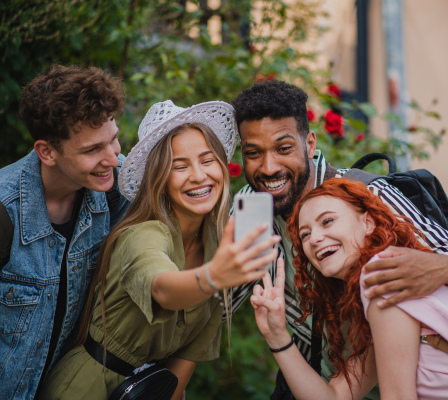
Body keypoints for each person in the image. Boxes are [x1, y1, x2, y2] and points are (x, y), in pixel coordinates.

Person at [229, 80, 448, 398]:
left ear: (310, 144)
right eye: (254, 154)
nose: (269, 167)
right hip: (311, 380)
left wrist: (439, 268)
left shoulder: (366, 195)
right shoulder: (251, 207)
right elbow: (220, 307)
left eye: (284, 148)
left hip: (392, 384)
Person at [39, 100, 280, 400]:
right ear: (161, 180)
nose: (198, 175)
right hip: (86, 388)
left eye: (207, 160)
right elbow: (162, 288)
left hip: (151, 391)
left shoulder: (219, 245)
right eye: (180, 166)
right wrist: (213, 276)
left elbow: (191, 350)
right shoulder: (143, 233)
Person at [251, 178, 448, 400]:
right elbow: (337, 397)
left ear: (367, 222)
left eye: (327, 221)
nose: (315, 238)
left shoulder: (381, 277)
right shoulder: (390, 281)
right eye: (305, 234)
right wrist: (277, 336)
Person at [0, 65, 129, 400]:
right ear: (47, 152)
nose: (112, 159)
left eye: (113, 140)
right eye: (92, 150)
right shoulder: (4, 210)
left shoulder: (119, 190)